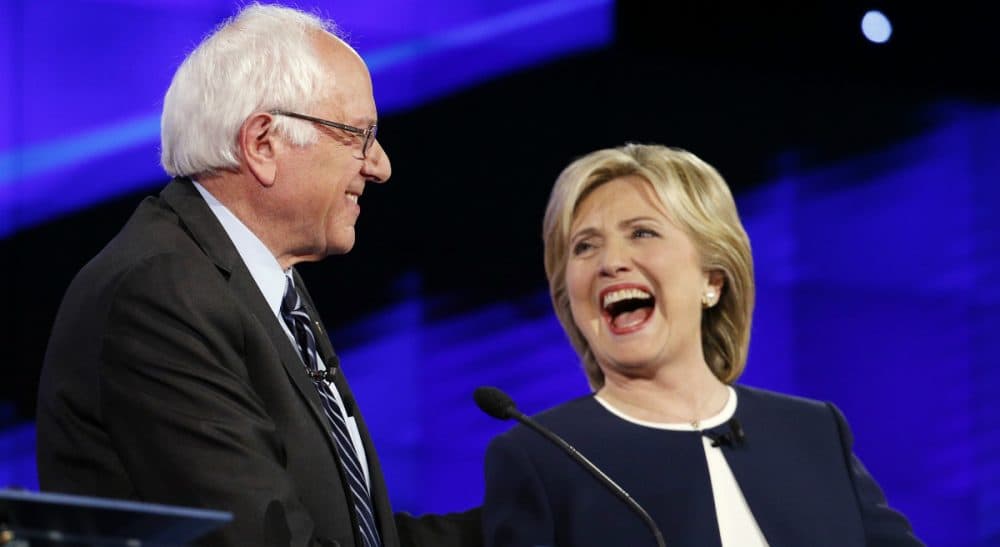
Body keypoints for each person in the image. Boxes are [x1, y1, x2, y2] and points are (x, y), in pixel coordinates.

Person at [36, 4, 479, 546]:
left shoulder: (257, 282)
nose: (380, 165)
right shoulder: (161, 294)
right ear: (263, 143)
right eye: (359, 135)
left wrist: (533, 510)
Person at [481, 144, 923, 546]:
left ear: (712, 280)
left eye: (642, 233)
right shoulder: (541, 457)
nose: (610, 262)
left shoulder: (814, 431)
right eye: (584, 246)